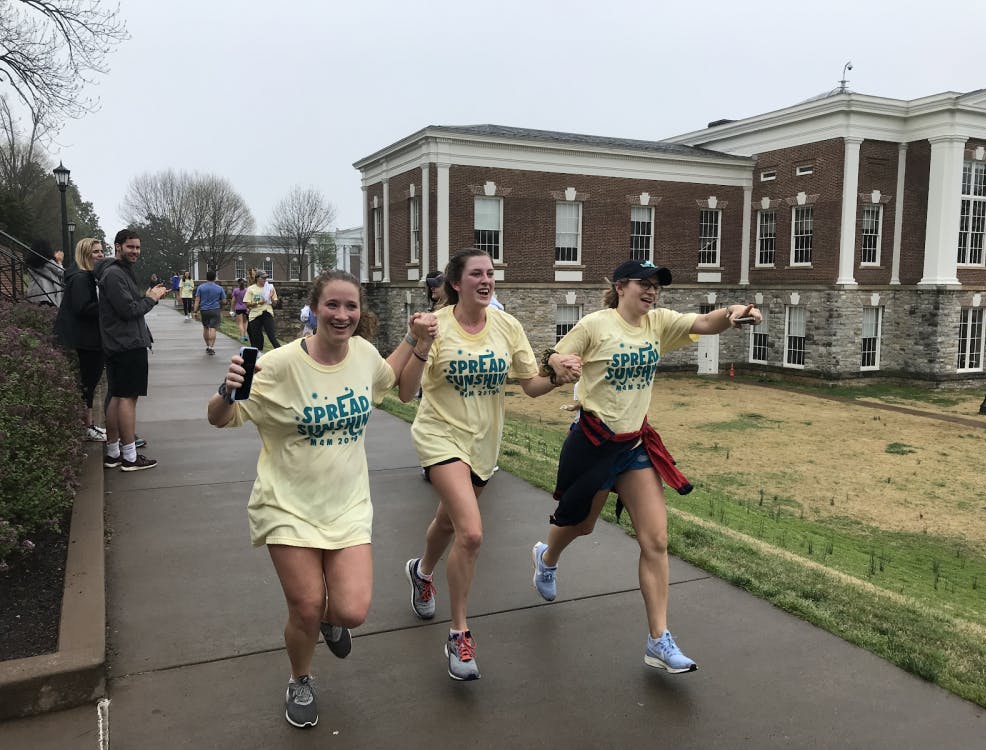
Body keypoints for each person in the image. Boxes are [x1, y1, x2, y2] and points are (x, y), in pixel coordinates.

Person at [206, 270, 437, 729]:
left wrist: (415, 340)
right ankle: (300, 677)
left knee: (350, 610)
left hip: (347, 503)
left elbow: (388, 378)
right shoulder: (277, 366)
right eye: (333, 305)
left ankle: (327, 624)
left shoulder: (364, 355)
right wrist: (225, 390)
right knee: (306, 606)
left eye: (351, 306)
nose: (343, 314)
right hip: (287, 504)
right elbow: (219, 419)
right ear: (313, 309)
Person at [529, 258, 761, 675]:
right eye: (644, 283)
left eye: (657, 285)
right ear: (621, 287)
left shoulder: (658, 323)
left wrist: (734, 314)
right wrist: (559, 366)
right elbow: (559, 356)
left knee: (655, 540)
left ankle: (658, 640)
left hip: (634, 446)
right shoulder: (596, 325)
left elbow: (704, 323)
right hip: (595, 442)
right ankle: (547, 558)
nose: (652, 291)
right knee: (581, 525)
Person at [397, 247, 581, 682]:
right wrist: (420, 344)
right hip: (440, 435)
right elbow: (405, 393)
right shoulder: (434, 325)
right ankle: (459, 633)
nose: (486, 280)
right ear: (455, 283)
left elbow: (529, 386)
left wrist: (558, 378)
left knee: (448, 522)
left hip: (484, 443)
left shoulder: (506, 326)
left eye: (491, 274)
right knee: (472, 533)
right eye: (477, 274)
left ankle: (422, 572)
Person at [95, 229, 169, 471]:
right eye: (130, 247)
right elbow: (129, 311)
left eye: (137, 247)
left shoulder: (117, 273)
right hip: (127, 344)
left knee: (117, 396)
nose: (135, 251)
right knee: (128, 398)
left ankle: (115, 452)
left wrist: (145, 297)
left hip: (121, 343)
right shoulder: (114, 274)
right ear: (117, 247)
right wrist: (152, 299)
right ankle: (129, 456)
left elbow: (128, 305)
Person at [54, 238, 107, 441]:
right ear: (85, 254)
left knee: (90, 383)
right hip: (85, 339)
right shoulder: (81, 278)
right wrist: (108, 304)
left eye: (101, 251)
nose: (100, 255)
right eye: (95, 252)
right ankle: (88, 426)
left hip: (86, 337)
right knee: (88, 383)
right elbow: (83, 308)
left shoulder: (86, 276)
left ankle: (90, 424)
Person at [192, 269, 227, 355]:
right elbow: (224, 301)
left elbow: (197, 300)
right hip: (215, 309)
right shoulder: (219, 288)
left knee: (205, 328)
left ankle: (207, 346)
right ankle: (211, 347)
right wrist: (218, 302)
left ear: (206, 277)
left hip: (204, 310)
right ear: (215, 278)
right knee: (213, 328)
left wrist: (195, 311)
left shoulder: (201, 287)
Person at [244, 271, 280, 350]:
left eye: (266, 278)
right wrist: (259, 302)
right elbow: (247, 304)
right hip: (255, 315)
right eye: (263, 278)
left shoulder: (270, 287)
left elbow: (274, 304)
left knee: (272, 336)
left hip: (267, 312)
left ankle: (282, 354)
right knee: (257, 338)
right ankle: (258, 356)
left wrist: (271, 298)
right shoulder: (251, 288)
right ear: (257, 278)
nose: (265, 279)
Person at [24, 239, 65, 307]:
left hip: (34, 292)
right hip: (47, 294)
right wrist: (59, 261)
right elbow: (61, 272)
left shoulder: (30, 262)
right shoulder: (47, 262)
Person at [230, 278, 249, 342]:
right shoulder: (247, 290)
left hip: (238, 308)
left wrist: (231, 309)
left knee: (240, 323)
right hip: (245, 308)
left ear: (238, 283)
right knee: (245, 322)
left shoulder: (236, 290)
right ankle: (246, 335)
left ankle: (242, 337)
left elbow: (233, 301)